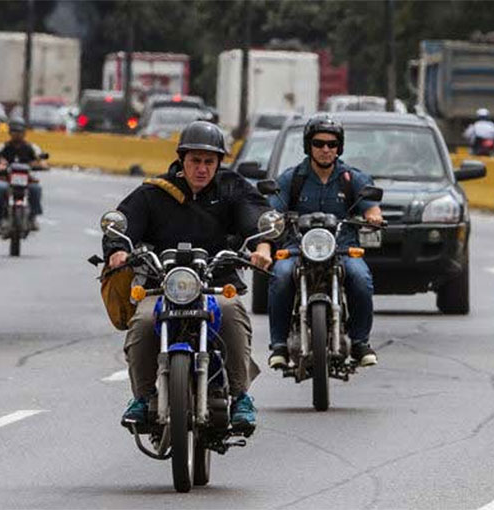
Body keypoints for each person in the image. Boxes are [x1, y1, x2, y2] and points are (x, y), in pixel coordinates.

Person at [102, 120, 273, 435]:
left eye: (209, 161)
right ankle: (143, 396)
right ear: (181, 159)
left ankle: (240, 396)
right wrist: (118, 250)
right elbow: (124, 223)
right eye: (195, 160)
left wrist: (262, 246)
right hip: (161, 283)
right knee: (143, 322)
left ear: (219, 162)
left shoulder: (231, 188)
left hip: (216, 282)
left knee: (232, 313)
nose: (202, 168)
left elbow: (256, 216)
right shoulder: (154, 192)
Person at [267, 113, 383, 370]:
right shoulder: (292, 178)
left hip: (342, 247)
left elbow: (371, 207)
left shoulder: (352, 178)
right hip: (298, 248)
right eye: (318, 143)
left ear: (339, 147)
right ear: (308, 146)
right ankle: (279, 345)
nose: (325, 149)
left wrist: (373, 216)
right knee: (281, 275)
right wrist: (272, 223)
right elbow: (273, 212)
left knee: (361, 278)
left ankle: (360, 342)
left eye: (332, 144)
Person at [0, 117, 46, 230]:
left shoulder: (31, 147)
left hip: (26, 180)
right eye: (14, 131)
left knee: (36, 188)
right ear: (10, 132)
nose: (17, 134)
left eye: (19, 131)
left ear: (24, 132)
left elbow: (40, 158)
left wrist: (40, 164)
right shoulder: (3, 146)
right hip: (7, 178)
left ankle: (32, 217)